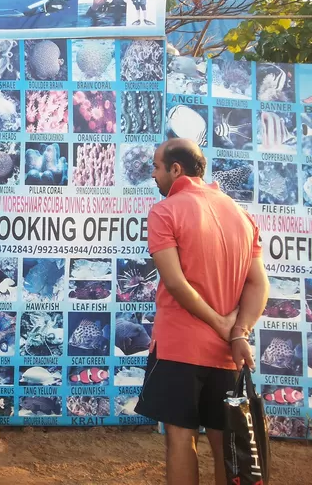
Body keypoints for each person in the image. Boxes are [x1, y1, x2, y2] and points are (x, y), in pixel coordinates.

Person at [135, 138, 269, 485]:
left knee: (181, 438)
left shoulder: (165, 211)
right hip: (226, 354)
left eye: (156, 166)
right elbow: (259, 285)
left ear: (175, 170)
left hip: (179, 347)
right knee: (227, 444)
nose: (153, 174)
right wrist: (237, 331)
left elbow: (176, 284)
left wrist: (221, 324)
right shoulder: (241, 215)